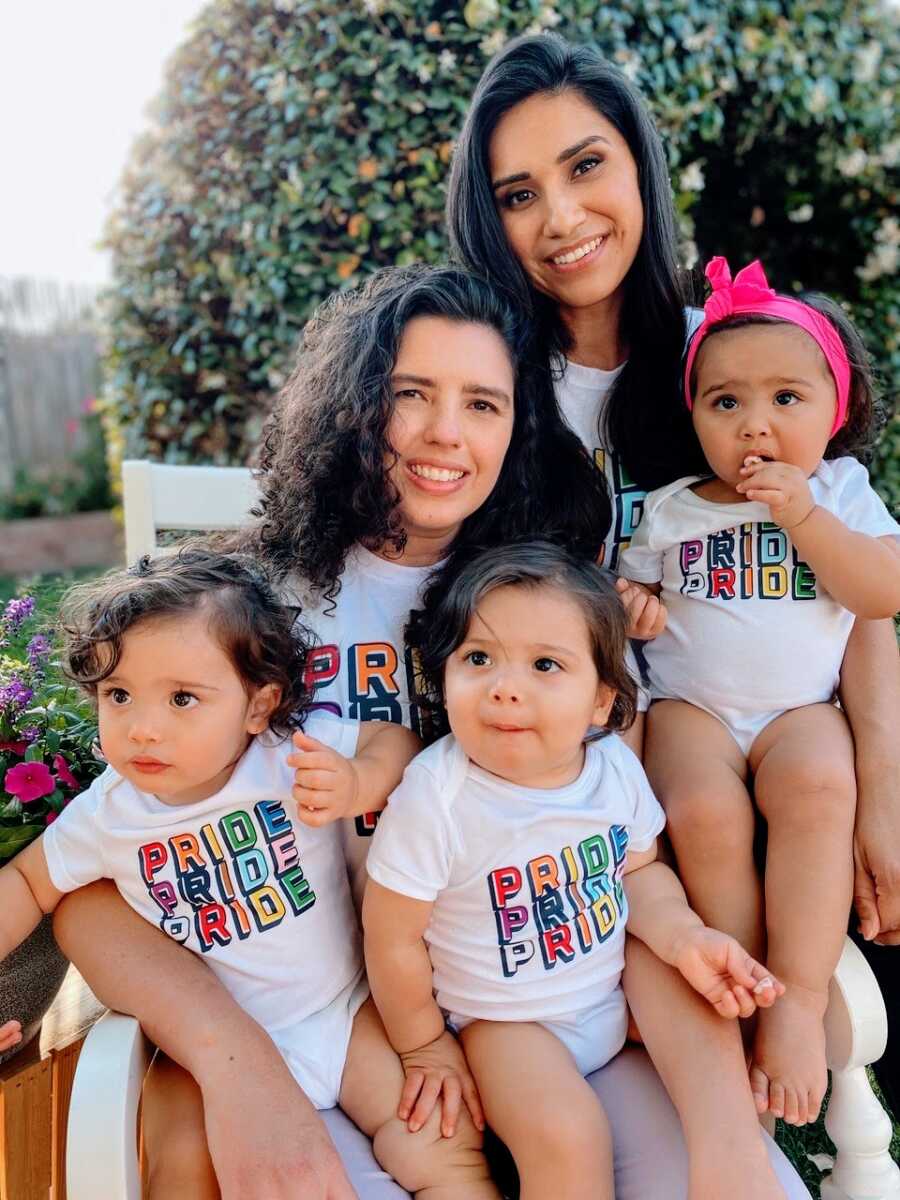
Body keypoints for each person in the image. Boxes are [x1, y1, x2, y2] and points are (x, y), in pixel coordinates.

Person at [50, 265, 613, 1199]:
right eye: (409, 395)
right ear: (356, 407)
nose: (444, 433)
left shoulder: (532, 614)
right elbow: (88, 871)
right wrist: (228, 1052)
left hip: (498, 1020)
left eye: (483, 402)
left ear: (516, 432)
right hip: (283, 1009)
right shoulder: (238, 601)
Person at [446, 28, 899, 1148]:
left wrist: (883, 790)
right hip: (599, 786)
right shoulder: (484, 385)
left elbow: (858, 596)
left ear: (639, 166)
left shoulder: (730, 361)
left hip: (792, 750)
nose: (561, 218)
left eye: (586, 166)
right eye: (518, 192)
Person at [0, 549, 506, 1197]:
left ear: (258, 705)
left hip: (341, 1015)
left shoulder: (284, 759)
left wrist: (357, 782)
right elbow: (23, 883)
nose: (143, 728)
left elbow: (393, 741)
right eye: (118, 695)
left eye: (183, 698)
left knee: (443, 1142)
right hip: (196, 1046)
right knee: (179, 1162)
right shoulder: (107, 814)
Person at [364, 541, 785, 1200]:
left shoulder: (612, 769)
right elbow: (391, 937)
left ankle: (730, 1164)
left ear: (601, 703)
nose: (504, 686)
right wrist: (422, 1046)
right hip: (506, 1023)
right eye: (478, 659)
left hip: (609, 990)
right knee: (567, 1134)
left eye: (545, 665)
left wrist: (681, 935)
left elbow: (639, 873)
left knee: (680, 975)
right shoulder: (437, 798)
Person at [619, 256, 900, 1126]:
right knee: (702, 812)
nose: (756, 425)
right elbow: (625, 595)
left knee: (820, 786)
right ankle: (744, 976)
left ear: (837, 408)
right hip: (692, 709)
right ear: (695, 414)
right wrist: (632, 606)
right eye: (726, 401)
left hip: (800, 712)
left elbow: (882, 594)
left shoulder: (839, 494)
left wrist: (804, 518)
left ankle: (798, 999)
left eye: (787, 398)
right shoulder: (670, 510)